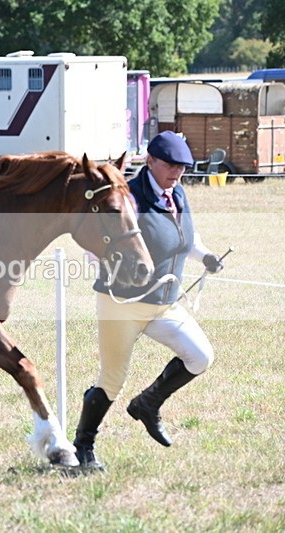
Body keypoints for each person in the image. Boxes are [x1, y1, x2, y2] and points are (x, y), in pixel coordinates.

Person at [74, 131, 225, 469]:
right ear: (150, 161)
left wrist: (207, 256)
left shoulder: (179, 193)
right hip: (122, 305)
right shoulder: (127, 195)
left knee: (200, 357)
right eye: (170, 165)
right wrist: (105, 261)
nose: (177, 172)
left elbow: (187, 234)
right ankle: (83, 446)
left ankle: (147, 404)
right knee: (112, 379)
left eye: (183, 167)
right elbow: (92, 241)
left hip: (164, 302)